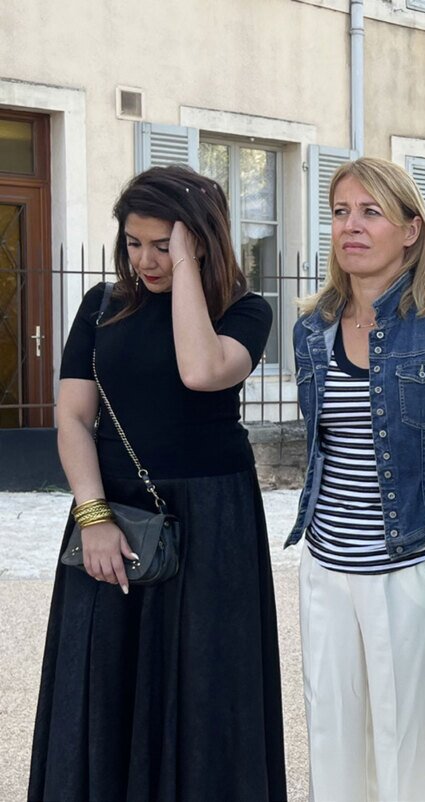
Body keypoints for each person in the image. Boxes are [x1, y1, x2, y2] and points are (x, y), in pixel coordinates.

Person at [29, 165, 286, 800]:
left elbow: (201, 371)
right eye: (134, 243)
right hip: (111, 508)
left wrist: (188, 271)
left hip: (213, 518)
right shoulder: (101, 306)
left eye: (163, 244)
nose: (146, 259)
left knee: (205, 684)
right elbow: (72, 416)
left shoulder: (247, 310)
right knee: (102, 681)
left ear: (198, 239)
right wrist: (93, 518)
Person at [287, 157, 425, 802]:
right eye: (340, 211)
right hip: (325, 564)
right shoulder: (312, 329)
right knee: (334, 736)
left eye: (370, 211)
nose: (351, 225)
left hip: (410, 565)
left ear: (410, 230)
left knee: (415, 748)